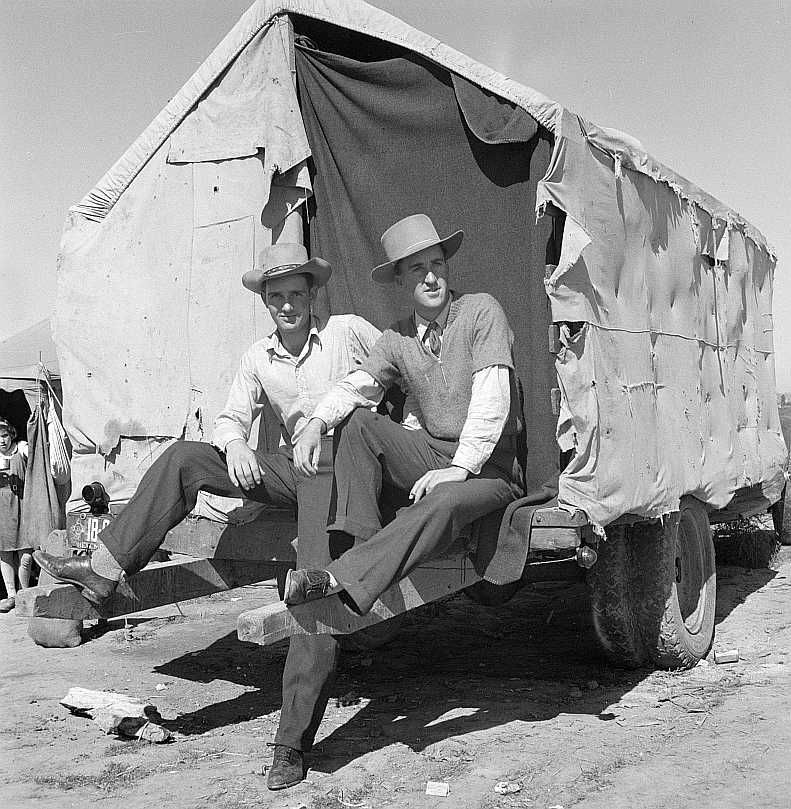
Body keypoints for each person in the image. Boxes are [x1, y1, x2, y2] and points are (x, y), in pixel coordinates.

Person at [34, 243, 381, 790]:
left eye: (296, 294)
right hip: (295, 468)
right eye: (277, 298)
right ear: (266, 303)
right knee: (185, 458)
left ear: (315, 293)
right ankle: (103, 571)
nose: (288, 306)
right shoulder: (259, 356)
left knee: (310, 593)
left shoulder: (348, 332)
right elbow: (229, 414)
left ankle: (291, 745)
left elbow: (393, 375)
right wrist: (235, 443)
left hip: (347, 472)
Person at [286, 214, 525, 613]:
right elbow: (357, 385)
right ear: (400, 280)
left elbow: (492, 399)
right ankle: (362, 545)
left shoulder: (482, 312)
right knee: (358, 421)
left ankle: (335, 577)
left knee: (446, 498)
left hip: (491, 468)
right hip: (433, 452)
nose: (431, 278)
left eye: (437, 265)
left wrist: (460, 468)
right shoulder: (397, 337)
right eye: (417, 269)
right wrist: (315, 423)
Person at [0, 417, 32, 612]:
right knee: (4, 551)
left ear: (10, 434)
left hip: (22, 505)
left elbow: (37, 458)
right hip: (2, 507)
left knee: (26, 553)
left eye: (4, 435)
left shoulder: (21, 448)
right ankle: (11, 594)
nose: (2, 440)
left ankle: (25, 592)